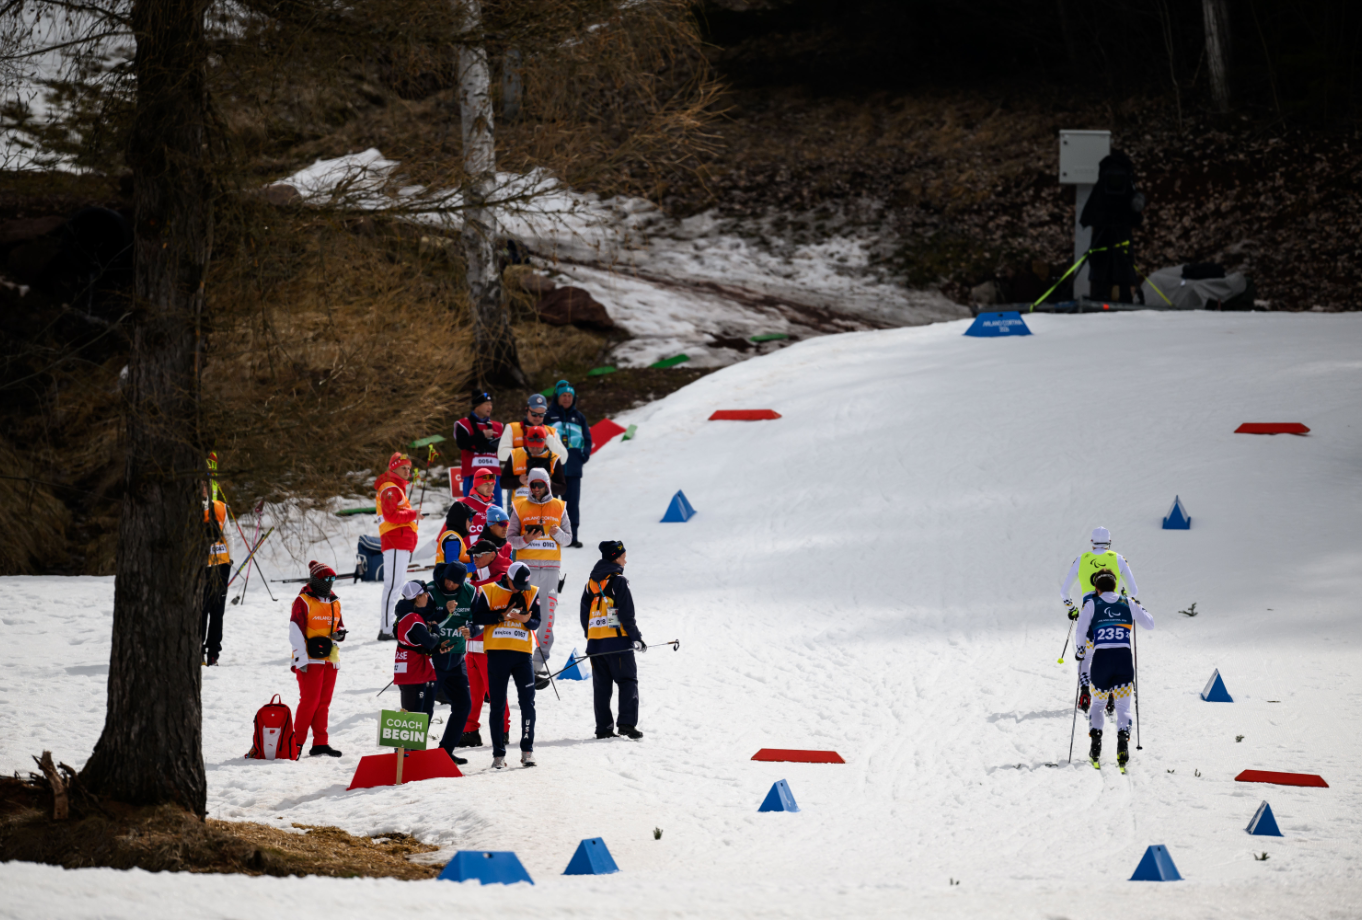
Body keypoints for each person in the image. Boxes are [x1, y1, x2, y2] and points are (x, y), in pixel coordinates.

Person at [1073, 569, 1153, 769]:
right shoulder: (1128, 602)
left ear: (1097, 589)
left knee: (1098, 704)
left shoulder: (1092, 603)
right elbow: (1150, 624)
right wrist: (1140, 608)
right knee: (1123, 707)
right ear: (1115, 586)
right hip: (1124, 660)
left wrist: (1081, 651)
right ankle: (1122, 744)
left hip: (1101, 660)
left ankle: (1095, 745)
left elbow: (1081, 629)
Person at [1060, 526, 1140, 713]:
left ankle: (1085, 692)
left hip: (1090, 609)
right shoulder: (1119, 559)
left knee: (1086, 656)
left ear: (1092, 542)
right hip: (1112, 610)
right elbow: (1133, 591)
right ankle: (1111, 694)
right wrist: (1123, 598)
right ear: (1109, 542)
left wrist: (1072, 609)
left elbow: (1064, 591)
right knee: (1110, 650)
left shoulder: (1081, 560)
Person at [471, 562, 542, 768]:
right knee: (498, 705)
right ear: (507, 577)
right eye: (516, 584)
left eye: (523, 585)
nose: (520, 589)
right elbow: (477, 617)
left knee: (528, 703)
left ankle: (527, 751)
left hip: (522, 655)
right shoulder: (489, 590)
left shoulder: (532, 592)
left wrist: (524, 619)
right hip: (497, 654)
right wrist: (500, 616)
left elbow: (536, 621)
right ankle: (498, 755)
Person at [509, 467, 572, 686]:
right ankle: (520, 660)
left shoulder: (559, 506)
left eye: (540, 485)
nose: (536, 489)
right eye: (532, 485)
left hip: (552, 570)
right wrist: (525, 538)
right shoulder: (519, 506)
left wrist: (557, 533)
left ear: (547, 485)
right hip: (527, 570)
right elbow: (511, 538)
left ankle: (538, 662)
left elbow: (568, 539)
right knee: (523, 614)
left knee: (547, 617)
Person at [581, 540, 644, 740]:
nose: (626, 560)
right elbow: (626, 614)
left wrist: (591, 636)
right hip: (618, 644)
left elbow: (584, 615)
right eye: (623, 556)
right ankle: (626, 724)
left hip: (595, 644)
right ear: (615, 557)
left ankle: (603, 729)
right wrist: (636, 638)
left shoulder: (591, 583)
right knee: (627, 681)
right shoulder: (619, 581)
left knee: (602, 687)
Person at [289, 561, 347, 757]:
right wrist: (301, 658)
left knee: (323, 703)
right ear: (315, 579)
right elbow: (295, 629)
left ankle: (320, 743)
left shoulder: (335, 601)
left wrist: (340, 633)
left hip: (330, 658)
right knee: (309, 702)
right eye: (326, 579)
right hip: (309, 659)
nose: (330, 582)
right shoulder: (302, 600)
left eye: (333, 579)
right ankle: (295, 744)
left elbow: (338, 625)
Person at [459, 539, 512, 748]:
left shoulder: (503, 579)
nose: (475, 558)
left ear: (492, 554)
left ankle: (503, 730)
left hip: (491, 648)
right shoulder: (474, 579)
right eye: (473, 555)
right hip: (471, 647)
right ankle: (470, 731)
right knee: (472, 694)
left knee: (496, 692)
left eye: (479, 555)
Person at [1079, 151, 1145, 303]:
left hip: (1102, 229)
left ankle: (1098, 297)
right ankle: (1126, 298)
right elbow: (1136, 213)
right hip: (1122, 230)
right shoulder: (1128, 180)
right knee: (1124, 262)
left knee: (1099, 262)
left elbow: (1091, 210)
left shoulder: (1103, 180)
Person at [428, 562, 475, 763]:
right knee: (424, 708)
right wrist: (443, 613)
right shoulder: (430, 590)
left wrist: (472, 629)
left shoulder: (470, 592)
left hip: (456, 658)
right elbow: (419, 619)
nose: (450, 585)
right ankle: (410, 752)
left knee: (464, 704)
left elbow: (478, 619)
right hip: (433, 658)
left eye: (455, 583)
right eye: (447, 580)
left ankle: (445, 751)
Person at [375, 452, 420, 641]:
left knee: (396, 585)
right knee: (393, 585)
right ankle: (386, 629)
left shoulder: (396, 488)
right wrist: (413, 514)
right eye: (404, 467)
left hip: (401, 541)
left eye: (409, 468)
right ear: (393, 467)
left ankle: (389, 626)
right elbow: (391, 516)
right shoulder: (390, 487)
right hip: (395, 540)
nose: (408, 471)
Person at [544, 379, 591, 548]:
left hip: (573, 468)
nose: (567, 398)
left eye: (570, 395)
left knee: (572, 504)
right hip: (552, 468)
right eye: (563, 395)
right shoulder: (547, 416)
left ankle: (572, 536)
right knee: (551, 503)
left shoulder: (579, 418)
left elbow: (587, 439)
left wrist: (582, 456)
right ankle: (550, 536)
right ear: (557, 396)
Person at [497, 393, 566, 505]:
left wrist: (547, 438)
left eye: (541, 414)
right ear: (526, 410)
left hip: (546, 489)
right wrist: (525, 450)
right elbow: (501, 454)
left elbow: (563, 458)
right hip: (519, 486)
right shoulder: (513, 428)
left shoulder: (551, 432)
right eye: (534, 414)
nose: (537, 417)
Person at [393, 580, 440, 719]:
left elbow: (414, 643)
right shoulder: (413, 619)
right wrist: (436, 629)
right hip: (413, 673)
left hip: (406, 669)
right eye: (425, 593)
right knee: (414, 716)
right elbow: (430, 642)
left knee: (416, 715)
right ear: (417, 597)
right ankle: (406, 742)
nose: (428, 596)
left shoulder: (404, 614)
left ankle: (409, 741)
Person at [453, 390, 504, 503]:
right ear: (476, 406)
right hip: (473, 475)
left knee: (496, 513)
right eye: (486, 404)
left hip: (494, 475)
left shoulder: (498, 426)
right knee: (473, 510)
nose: (489, 407)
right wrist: (482, 435)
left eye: (491, 404)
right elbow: (462, 444)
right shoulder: (463, 424)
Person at [201, 480, 231, 666]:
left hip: (221, 565)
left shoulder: (220, 507)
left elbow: (229, 536)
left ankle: (214, 653)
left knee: (217, 612)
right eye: (200, 484)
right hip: (201, 567)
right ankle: (197, 651)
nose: (203, 488)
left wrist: (231, 560)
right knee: (201, 611)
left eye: (206, 484)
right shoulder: (187, 507)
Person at [501, 424, 566, 501]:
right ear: (527, 441)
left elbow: (562, 489)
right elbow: (503, 483)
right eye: (532, 446)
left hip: (545, 507)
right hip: (520, 506)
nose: (535, 450)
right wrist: (519, 480)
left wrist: (549, 484)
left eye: (538, 447)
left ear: (545, 442)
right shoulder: (515, 455)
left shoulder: (554, 458)